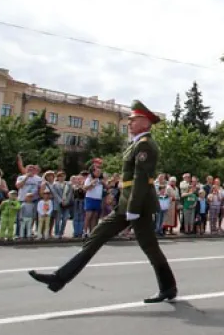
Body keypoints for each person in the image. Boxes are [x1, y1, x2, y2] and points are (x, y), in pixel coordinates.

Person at [29, 100, 178, 304]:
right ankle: (59, 278)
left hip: (138, 205)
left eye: (133, 120)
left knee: (150, 247)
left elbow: (141, 179)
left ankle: (168, 287)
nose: (129, 123)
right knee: (97, 235)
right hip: (127, 203)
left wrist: (133, 208)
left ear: (145, 122)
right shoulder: (137, 144)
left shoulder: (146, 145)